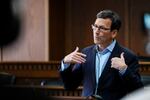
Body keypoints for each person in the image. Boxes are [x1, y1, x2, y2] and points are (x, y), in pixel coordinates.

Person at [59, 9, 143, 100]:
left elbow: (138, 91)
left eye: (102, 28)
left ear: (114, 33)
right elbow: (70, 86)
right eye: (95, 26)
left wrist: (124, 70)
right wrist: (65, 63)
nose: (96, 31)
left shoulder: (128, 56)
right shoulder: (86, 53)